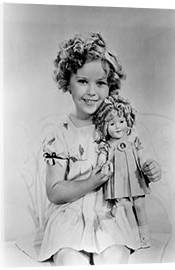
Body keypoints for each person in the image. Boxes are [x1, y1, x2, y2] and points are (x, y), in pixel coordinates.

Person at [16, 32, 161, 265]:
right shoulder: (59, 134)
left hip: (110, 215)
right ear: (68, 83)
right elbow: (54, 191)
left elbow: (132, 167)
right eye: (83, 81)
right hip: (69, 217)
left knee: (114, 259)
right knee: (71, 260)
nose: (92, 91)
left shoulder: (116, 128)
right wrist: (92, 182)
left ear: (110, 86)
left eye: (100, 83)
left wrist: (150, 170)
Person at [93, 94, 160, 249]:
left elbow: (141, 154)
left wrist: (145, 165)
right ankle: (134, 237)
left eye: (121, 121)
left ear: (127, 121)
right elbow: (102, 158)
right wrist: (101, 164)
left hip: (135, 177)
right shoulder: (106, 145)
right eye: (112, 124)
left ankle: (145, 237)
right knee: (125, 207)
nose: (118, 127)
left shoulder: (132, 138)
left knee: (139, 205)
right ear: (104, 126)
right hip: (117, 181)